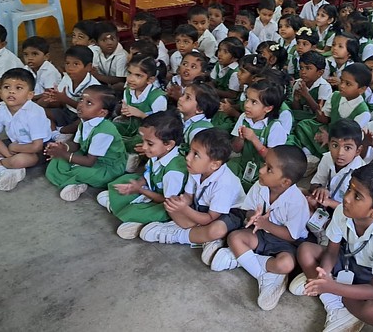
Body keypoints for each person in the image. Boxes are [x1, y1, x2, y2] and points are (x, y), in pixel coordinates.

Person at [291, 164, 373, 331]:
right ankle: (334, 303)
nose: (347, 198)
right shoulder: (342, 211)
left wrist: (331, 287)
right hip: (349, 257)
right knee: (305, 250)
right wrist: (324, 273)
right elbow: (332, 252)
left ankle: (329, 293)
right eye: (350, 188)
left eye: (357, 196)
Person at [210, 145, 309, 312]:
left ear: (285, 182)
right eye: (264, 164)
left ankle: (242, 260)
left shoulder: (297, 202)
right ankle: (263, 274)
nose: (261, 170)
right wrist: (253, 216)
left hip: (284, 243)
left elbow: (291, 236)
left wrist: (265, 224)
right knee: (235, 238)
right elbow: (248, 210)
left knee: (286, 264)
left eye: (269, 169)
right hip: (260, 234)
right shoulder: (260, 185)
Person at [139, 128, 246, 262]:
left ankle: (179, 235)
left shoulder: (225, 183)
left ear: (214, 165)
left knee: (216, 229)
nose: (188, 157)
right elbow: (189, 196)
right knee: (170, 202)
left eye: (196, 154)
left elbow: (209, 218)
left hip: (228, 214)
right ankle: (204, 238)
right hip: (202, 208)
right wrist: (180, 202)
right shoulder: (196, 170)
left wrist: (184, 209)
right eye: (190, 151)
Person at [99, 111, 187, 239]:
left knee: (154, 212)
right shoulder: (158, 154)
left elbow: (167, 201)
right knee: (122, 182)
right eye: (143, 141)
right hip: (152, 191)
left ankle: (144, 222)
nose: (144, 147)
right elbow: (147, 175)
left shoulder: (174, 172)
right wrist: (137, 185)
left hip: (166, 205)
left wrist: (139, 190)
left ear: (169, 144)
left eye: (150, 144)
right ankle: (129, 211)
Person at [45, 85, 126, 201]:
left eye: (89, 103)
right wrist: (62, 147)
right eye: (81, 99)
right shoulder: (84, 122)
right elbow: (76, 144)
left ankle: (77, 184)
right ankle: (74, 182)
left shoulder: (104, 132)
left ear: (102, 113)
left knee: (78, 171)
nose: (81, 105)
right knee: (56, 162)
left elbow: (89, 162)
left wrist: (64, 154)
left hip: (106, 166)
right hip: (87, 155)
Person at [290, 63, 371, 161]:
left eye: (348, 84)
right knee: (304, 125)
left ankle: (314, 155)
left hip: (343, 142)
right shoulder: (335, 95)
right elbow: (325, 119)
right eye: (341, 81)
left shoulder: (363, 113)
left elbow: (349, 137)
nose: (342, 86)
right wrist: (320, 113)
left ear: (362, 89)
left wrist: (328, 138)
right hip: (329, 129)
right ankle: (308, 152)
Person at [306, 119, 365, 237]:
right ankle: (318, 228)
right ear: (328, 144)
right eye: (335, 145)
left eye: (347, 148)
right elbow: (314, 184)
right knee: (301, 193)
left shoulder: (362, 173)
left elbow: (356, 211)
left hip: (345, 212)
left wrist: (329, 202)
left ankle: (323, 232)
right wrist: (319, 189)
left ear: (358, 151)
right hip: (324, 206)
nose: (340, 153)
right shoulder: (327, 158)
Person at [227, 79, 288, 191]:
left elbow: (272, 160)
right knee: (226, 171)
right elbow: (235, 149)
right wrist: (240, 138)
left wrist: (254, 139)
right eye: (247, 99)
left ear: (268, 108)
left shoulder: (275, 127)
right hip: (243, 163)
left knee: (264, 188)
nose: (247, 105)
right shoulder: (244, 118)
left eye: (254, 102)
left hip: (263, 170)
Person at [114, 55, 168, 171]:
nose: (131, 79)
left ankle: (132, 158)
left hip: (149, 133)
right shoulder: (128, 91)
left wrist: (141, 114)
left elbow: (160, 125)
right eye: (129, 73)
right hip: (132, 126)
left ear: (150, 80)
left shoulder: (157, 97)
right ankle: (123, 154)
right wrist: (124, 112)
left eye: (138, 75)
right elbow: (126, 116)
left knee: (137, 142)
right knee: (112, 128)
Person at [40, 45, 100, 138]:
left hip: (81, 116)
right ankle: (57, 133)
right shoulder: (67, 77)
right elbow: (60, 100)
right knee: (40, 110)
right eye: (67, 63)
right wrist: (53, 98)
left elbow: (88, 110)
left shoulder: (93, 86)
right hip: (66, 111)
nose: (70, 68)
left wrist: (65, 99)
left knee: (84, 122)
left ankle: (60, 131)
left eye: (76, 64)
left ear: (88, 67)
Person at [177, 79, 219, 156]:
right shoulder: (182, 117)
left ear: (199, 109)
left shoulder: (199, 131)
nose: (180, 98)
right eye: (183, 94)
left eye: (187, 97)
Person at [290, 51, 332, 122]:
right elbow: (297, 110)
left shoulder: (324, 86)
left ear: (320, 73)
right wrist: (296, 100)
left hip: (315, 120)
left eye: (308, 68)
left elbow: (320, 112)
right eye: (301, 68)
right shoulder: (298, 83)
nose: (303, 72)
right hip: (302, 117)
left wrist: (306, 95)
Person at [21, 36, 62, 102]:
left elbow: (49, 93)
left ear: (46, 57)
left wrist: (30, 98)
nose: (29, 58)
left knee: (45, 100)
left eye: (34, 54)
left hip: (48, 100)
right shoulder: (26, 69)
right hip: (32, 98)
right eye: (26, 54)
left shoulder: (49, 71)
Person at [91, 22, 127, 89]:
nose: (109, 43)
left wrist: (97, 76)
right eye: (104, 40)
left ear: (118, 38)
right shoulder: (94, 50)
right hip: (102, 82)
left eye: (112, 39)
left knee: (120, 85)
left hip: (115, 85)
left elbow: (121, 79)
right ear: (96, 42)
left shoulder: (122, 55)